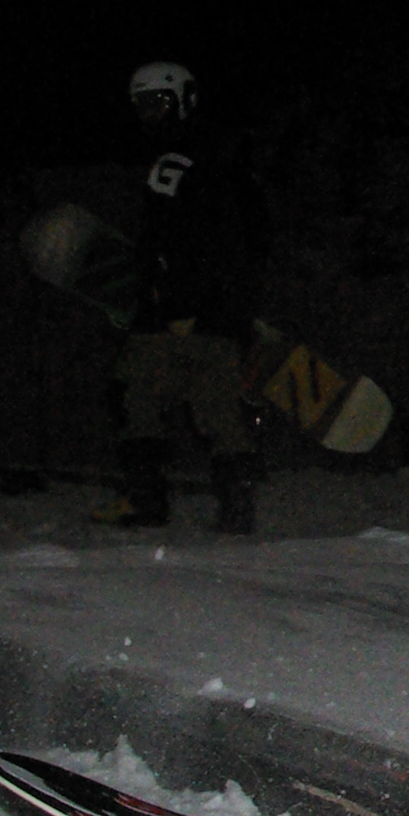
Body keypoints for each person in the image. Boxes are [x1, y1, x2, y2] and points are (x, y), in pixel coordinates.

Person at [104, 61, 271, 537]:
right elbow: (251, 234)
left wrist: (176, 300)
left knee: (140, 395)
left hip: (185, 305)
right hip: (215, 303)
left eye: (157, 103)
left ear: (183, 100)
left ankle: (149, 499)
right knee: (209, 404)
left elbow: (176, 235)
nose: (149, 115)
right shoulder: (222, 153)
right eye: (142, 105)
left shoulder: (178, 159)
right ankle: (232, 507)